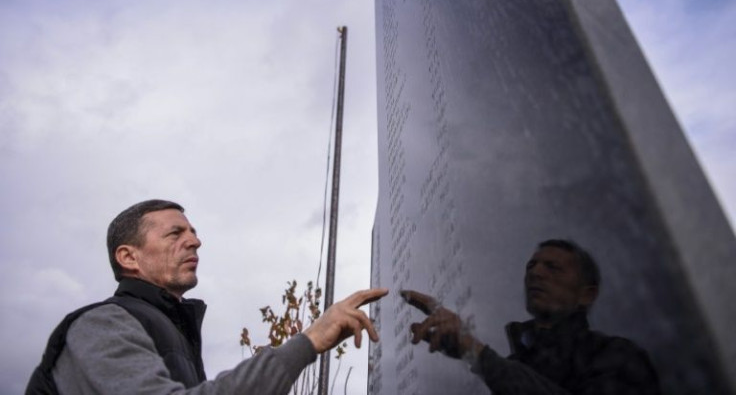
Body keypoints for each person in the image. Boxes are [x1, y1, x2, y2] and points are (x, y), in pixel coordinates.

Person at [27, 199, 388, 394]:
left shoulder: (172, 332)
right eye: (174, 233)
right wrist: (307, 342)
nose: (195, 240)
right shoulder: (102, 325)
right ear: (128, 257)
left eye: (194, 232)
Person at [403, 239, 661, 394]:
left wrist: (475, 351)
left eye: (553, 267)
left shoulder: (617, 355)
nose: (536, 273)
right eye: (531, 266)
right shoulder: (516, 361)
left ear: (587, 295)